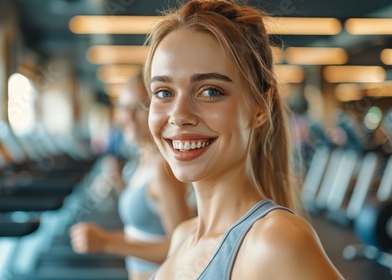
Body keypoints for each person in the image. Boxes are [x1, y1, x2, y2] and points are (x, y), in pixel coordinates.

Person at [143, 0, 344, 279]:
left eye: (210, 91)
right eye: (164, 92)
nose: (179, 116)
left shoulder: (276, 241)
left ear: (260, 107)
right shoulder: (183, 236)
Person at [69, 72, 194, 280]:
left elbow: (183, 249)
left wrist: (107, 242)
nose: (127, 117)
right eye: (122, 107)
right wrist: (119, 180)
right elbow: (142, 229)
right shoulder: (142, 162)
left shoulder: (162, 170)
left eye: (138, 107)